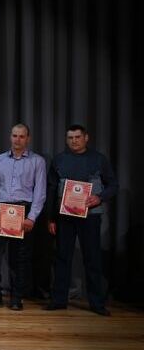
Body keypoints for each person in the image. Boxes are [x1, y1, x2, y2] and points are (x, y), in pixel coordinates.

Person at [44, 124, 117, 316]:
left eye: (77, 137)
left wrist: (99, 197)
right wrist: (51, 218)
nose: (74, 141)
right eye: (70, 138)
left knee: (92, 259)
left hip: (90, 217)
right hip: (64, 216)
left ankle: (97, 304)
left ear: (86, 138)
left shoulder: (99, 159)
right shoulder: (59, 159)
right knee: (62, 258)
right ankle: (59, 300)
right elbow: (52, 188)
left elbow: (113, 185)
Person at [0, 123, 46, 311]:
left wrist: (32, 217)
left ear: (28, 139)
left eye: (22, 136)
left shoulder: (37, 161)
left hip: (25, 211)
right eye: (15, 136)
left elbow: (40, 192)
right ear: (10, 137)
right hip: (3, 211)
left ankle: (16, 297)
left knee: (20, 257)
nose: (17, 140)